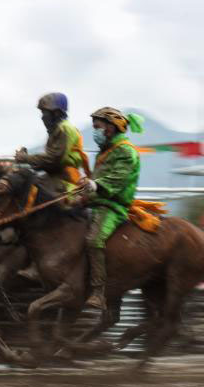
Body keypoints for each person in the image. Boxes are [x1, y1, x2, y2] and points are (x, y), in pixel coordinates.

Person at [80, 107, 142, 311]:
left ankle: (98, 292)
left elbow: (118, 179)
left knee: (94, 240)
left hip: (113, 206)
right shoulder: (105, 151)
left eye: (97, 127)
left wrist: (95, 184)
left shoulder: (126, 151)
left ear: (111, 127)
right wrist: (84, 189)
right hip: (96, 202)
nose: (95, 131)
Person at [15, 92, 91, 192]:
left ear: (56, 113)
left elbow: (53, 159)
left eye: (44, 112)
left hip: (65, 181)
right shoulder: (56, 130)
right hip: (54, 178)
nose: (42, 117)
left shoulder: (65, 129)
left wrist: (25, 158)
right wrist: (27, 159)